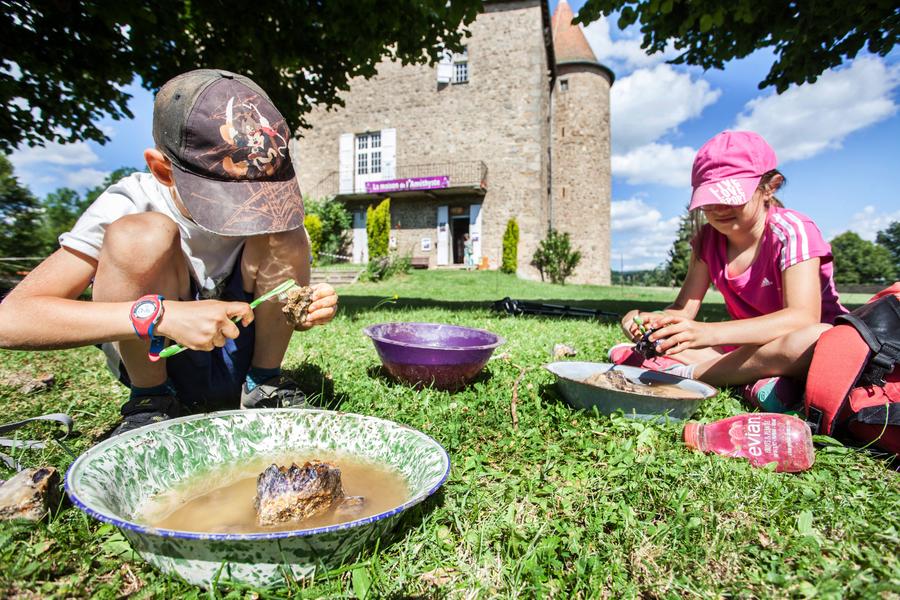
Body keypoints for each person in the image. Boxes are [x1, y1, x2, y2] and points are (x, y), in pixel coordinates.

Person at [0, 69, 338, 435]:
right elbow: (11, 320)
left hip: (244, 352)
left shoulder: (269, 210)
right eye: (229, 199)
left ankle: (264, 385)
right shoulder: (131, 200)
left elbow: (281, 281)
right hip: (161, 356)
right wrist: (158, 317)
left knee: (285, 231)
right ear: (163, 169)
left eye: (262, 194)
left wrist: (298, 306)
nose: (248, 213)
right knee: (141, 233)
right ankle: (151, 399)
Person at [610, 130, 847, 411]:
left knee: (816, 339)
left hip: (801, 346)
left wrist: (706, 333)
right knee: (673, 342)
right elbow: (682, 311)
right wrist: (652, 322)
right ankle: (750, 380)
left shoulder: (793, 231)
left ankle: (689, 374)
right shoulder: (706, 241)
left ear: (770, 187)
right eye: (709, 200)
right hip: (741, 348)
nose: (719, 208)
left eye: (731, 196)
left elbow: (803, 319)